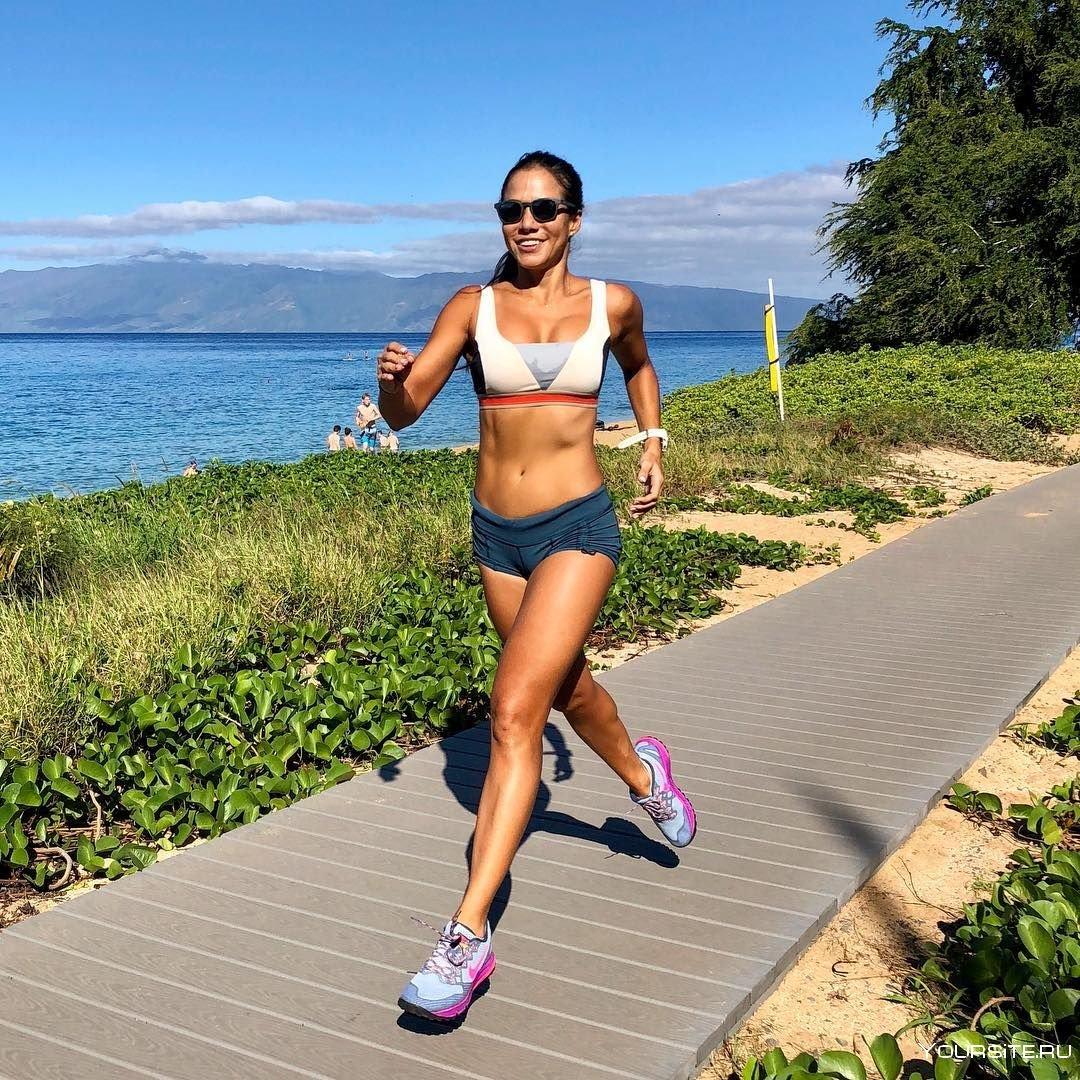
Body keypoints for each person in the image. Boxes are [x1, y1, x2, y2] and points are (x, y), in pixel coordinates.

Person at [377, 150, 694, 1025]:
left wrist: (653, 439)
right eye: (511, 209)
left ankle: (466, 938)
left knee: (514, 711)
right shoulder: (471, 308)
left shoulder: (612, 303)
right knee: (565, 688)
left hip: (578, 530)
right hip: (496, 537)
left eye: (544, 208)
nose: (526, 222)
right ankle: (644, 775)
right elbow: (408, 411)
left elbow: (639, 366)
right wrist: (390, 385)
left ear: (574, 219)